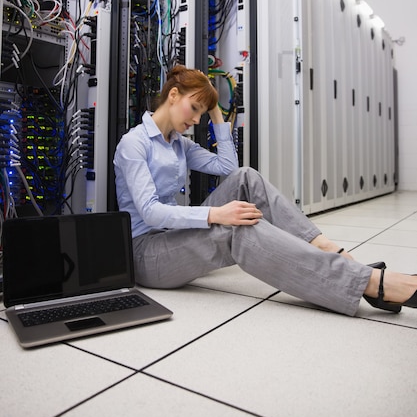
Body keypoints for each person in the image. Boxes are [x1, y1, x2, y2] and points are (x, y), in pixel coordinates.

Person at [114, 65, 417, 316]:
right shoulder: (134, 143)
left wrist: (217, 115)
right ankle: (369, 283)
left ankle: (325, 246)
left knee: (247, 177)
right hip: (145, 254)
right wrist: (217, 214)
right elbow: (151, 213)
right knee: (238, 229)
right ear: (173, 94)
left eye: (201, 113)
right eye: (194, 108)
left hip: (172, 237)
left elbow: (228, 167)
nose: (195, 120)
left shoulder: (177, 143)